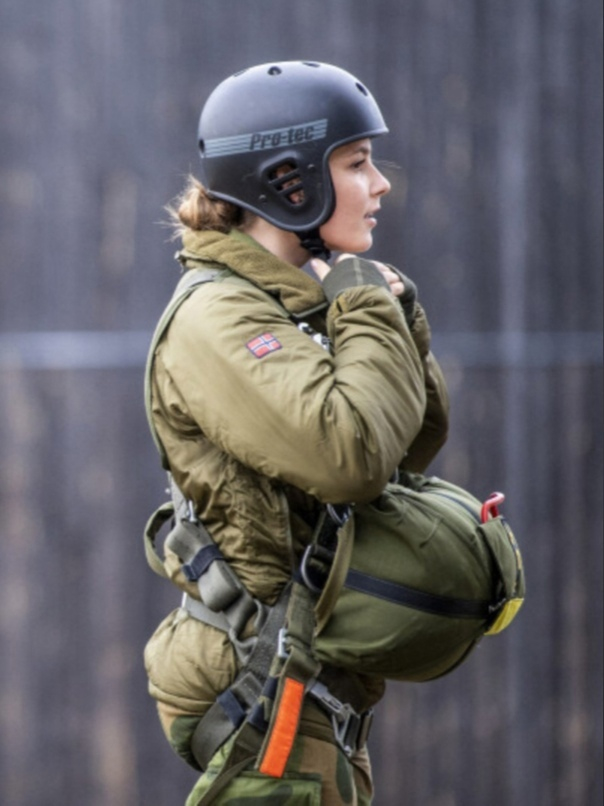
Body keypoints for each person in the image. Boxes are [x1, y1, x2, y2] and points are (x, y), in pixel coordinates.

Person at [143, 60, 450, 805]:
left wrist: (382, 312)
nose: (380, 184)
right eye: (356, 163)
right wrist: (367, 305)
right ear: (288, 181)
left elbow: (414, 440)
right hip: (255, 678)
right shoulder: (221, 319)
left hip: (305, 673)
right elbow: (353, 459)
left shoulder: (297, 301)